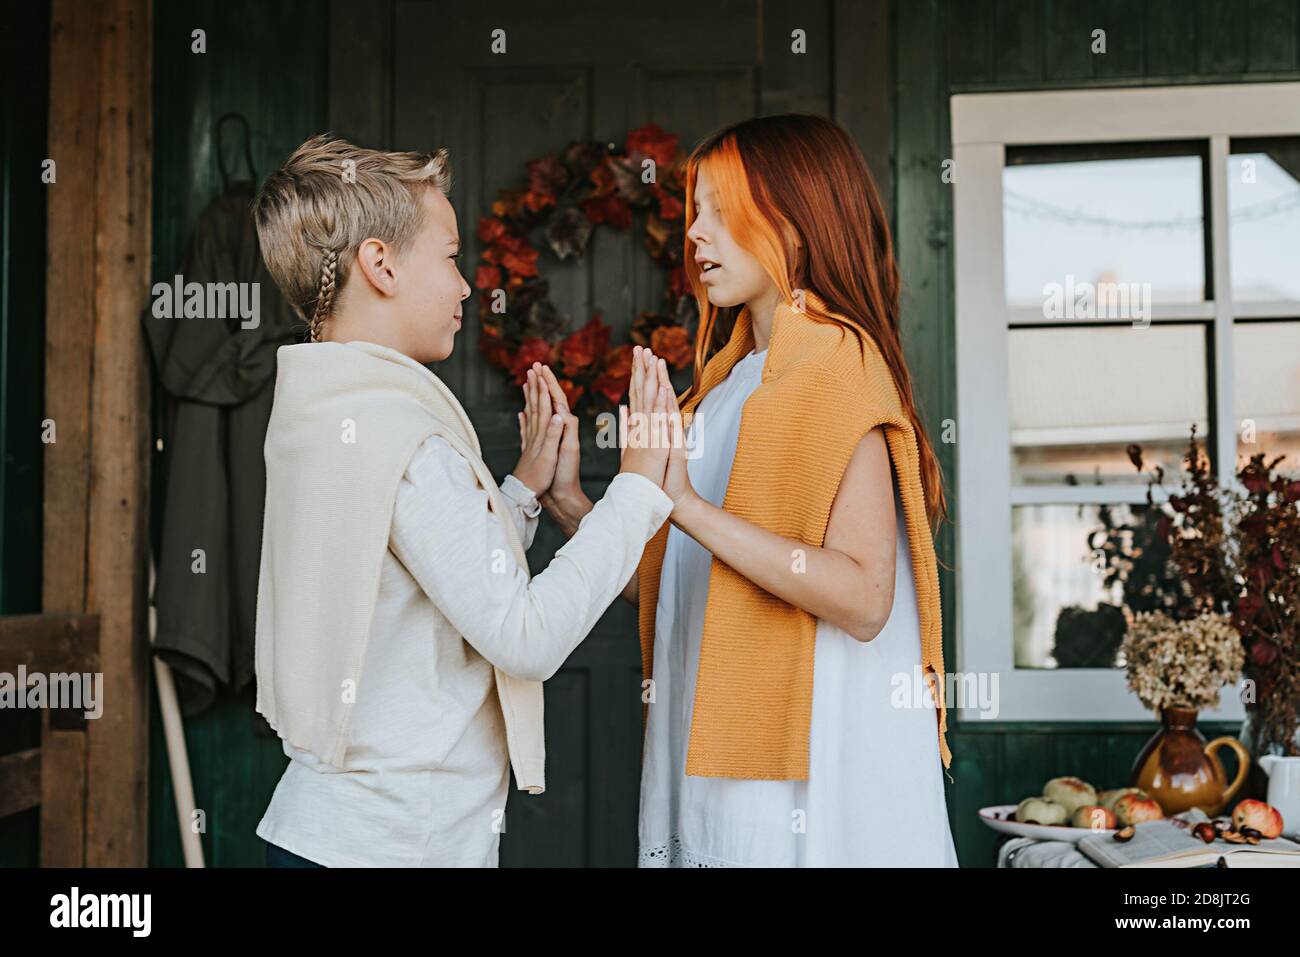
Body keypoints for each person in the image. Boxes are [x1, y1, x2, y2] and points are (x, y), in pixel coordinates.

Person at [249, 133, 676, 867]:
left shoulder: (328, 406)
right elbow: (525, 636)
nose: (467, 286)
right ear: (380, 265)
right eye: (448, 257)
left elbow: (408, 585)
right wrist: (636, 487)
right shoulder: (405, 437)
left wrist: (519, 493)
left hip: (332, 835)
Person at [545, 114, 959, 866]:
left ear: (796, 223)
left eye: (719, 211)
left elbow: (866, 597)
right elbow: (683, 583)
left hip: (807, 779)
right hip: (718, 763)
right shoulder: (726, 385)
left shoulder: (837, 364)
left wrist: (691, 508)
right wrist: (572, 504)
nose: (695, 236)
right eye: (693, 212)